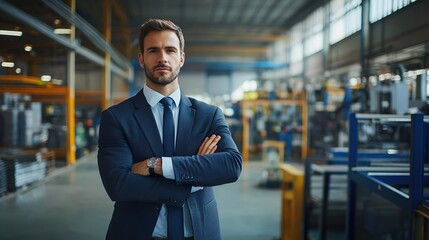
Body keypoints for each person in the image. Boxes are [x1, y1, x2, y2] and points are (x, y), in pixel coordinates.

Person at [97, 18, 242, 240]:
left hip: (200, 233)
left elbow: (231, 166)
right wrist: (193, 178)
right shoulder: (116, 118)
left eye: (170, 50)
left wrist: (156, 165)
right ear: (141, 58)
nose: (162, 58)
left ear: (181, 58)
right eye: (153, 50)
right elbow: (118, 184)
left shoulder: (208, 115)